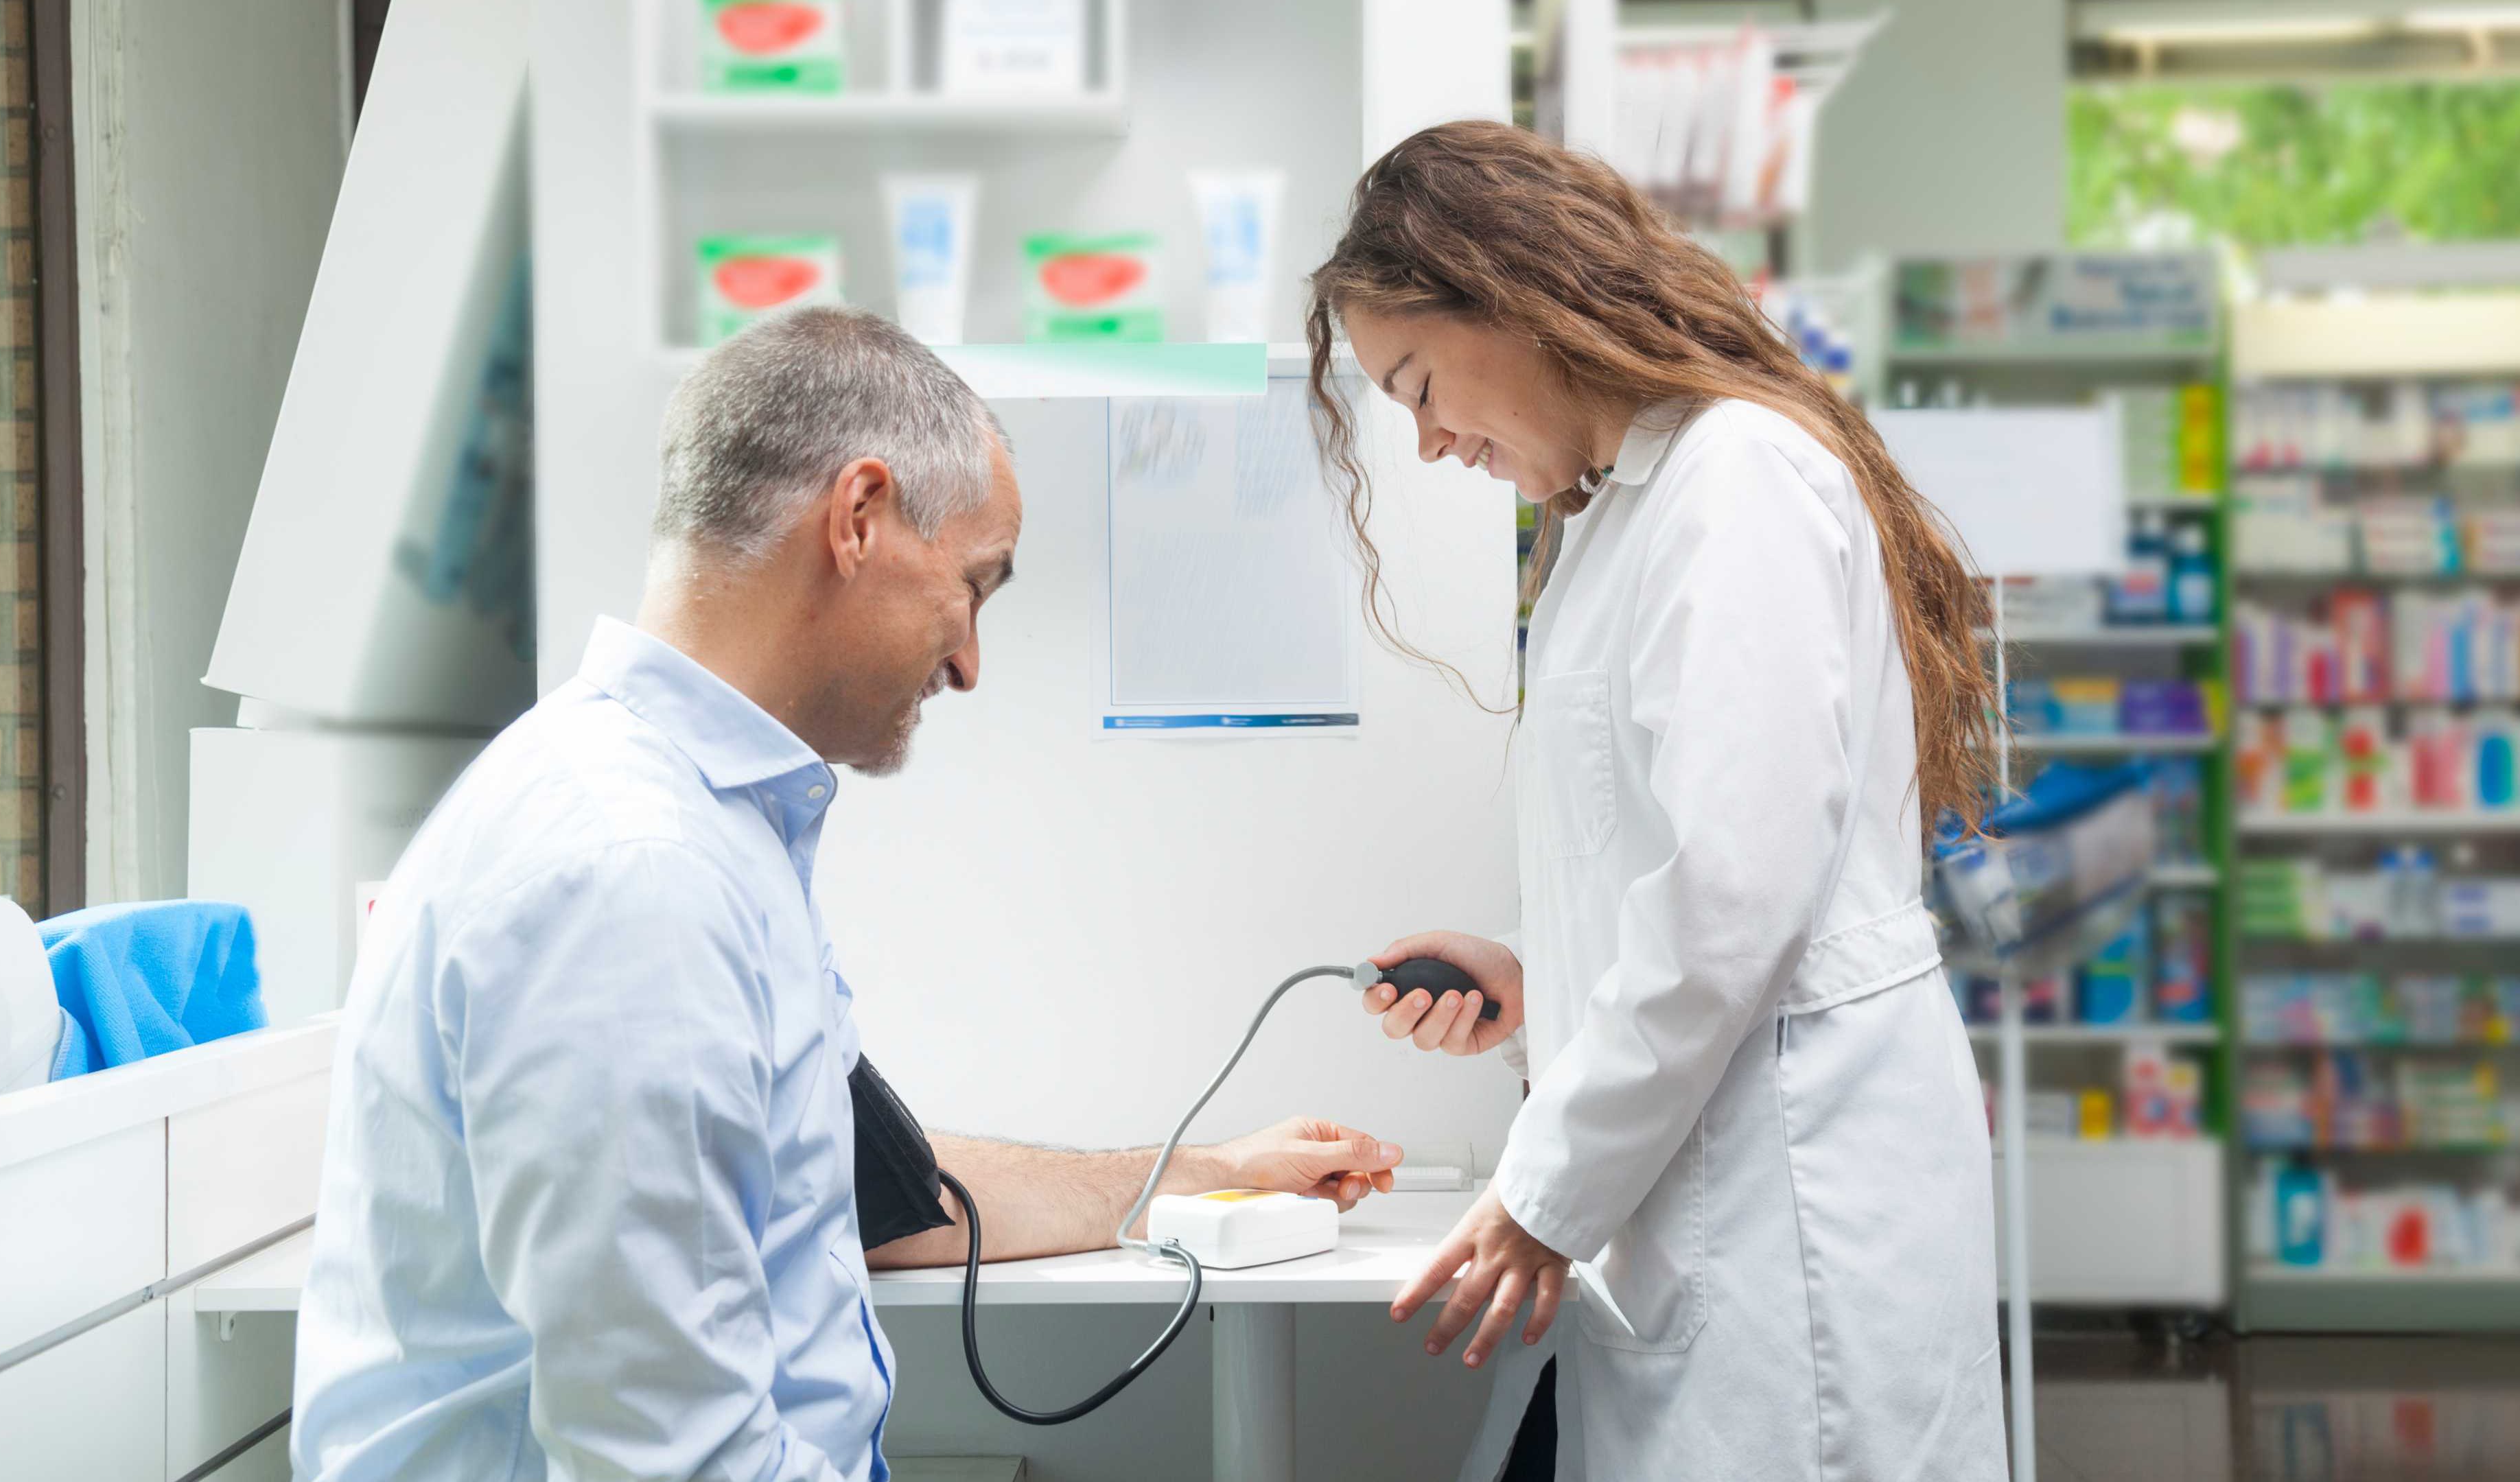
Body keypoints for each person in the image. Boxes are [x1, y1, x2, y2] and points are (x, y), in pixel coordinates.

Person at [290, 308, 1404, 1482]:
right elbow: (666, 1461)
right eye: (974, 585)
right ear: (859, 516)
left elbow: (872, 1189)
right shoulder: (632, 877)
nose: (971, 658)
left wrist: (1200, 1170)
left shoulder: (705, 823)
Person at [1305, 121, 2009, 1480]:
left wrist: (1543, 1199)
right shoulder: (1616, 514)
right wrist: (1536, 982)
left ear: (1511, 296)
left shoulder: (1732, 476)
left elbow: (1729, 904)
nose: (1434, 440)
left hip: (1793, 1201)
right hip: (1719, 1188)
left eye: (1419, 381)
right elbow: (1691, 874)